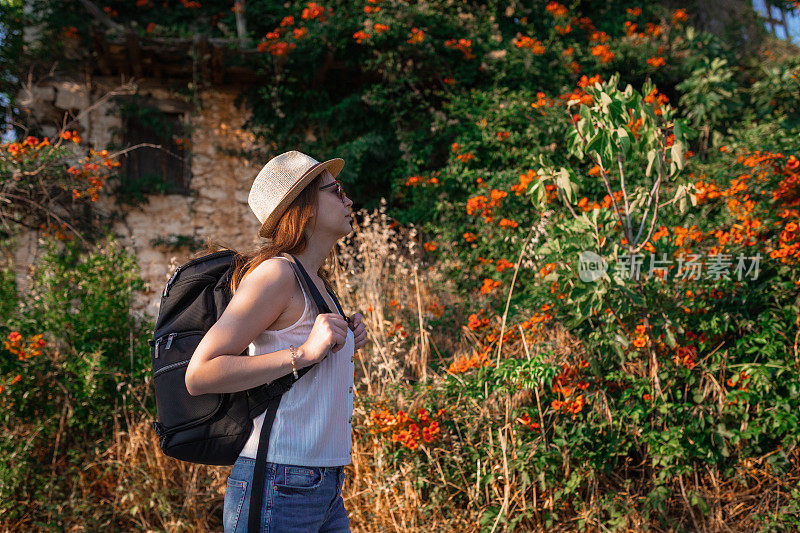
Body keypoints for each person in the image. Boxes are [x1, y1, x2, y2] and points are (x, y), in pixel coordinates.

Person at [184, 150, 367, 532]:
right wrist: (304, 352)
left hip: (326, 485)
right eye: (336, 191)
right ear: (307, 208)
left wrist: (345, 341)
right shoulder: (276, 275)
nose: (348, 200)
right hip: (279, 483)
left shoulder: (316, 280)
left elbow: (306, 368)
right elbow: (201, 373)